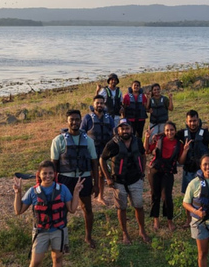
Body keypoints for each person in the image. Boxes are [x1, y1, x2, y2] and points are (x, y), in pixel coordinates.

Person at [13, 160, 83, 267]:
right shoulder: (33, 191)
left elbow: (72, 209)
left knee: (57, 258)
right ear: (39, 175)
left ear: (55, 174)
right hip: (41, 232)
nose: (48, 176)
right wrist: (18, 193)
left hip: (59, 230)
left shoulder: (63, 189)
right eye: (45, 173)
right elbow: (18, 210)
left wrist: (76, 191)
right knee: (35, 263)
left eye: (51, 173)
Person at [50, 110, 98, 248]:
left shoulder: (88, 140)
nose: (75, 122)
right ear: (67, 121)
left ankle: (88, 237)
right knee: (63, 210)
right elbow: (54, 164)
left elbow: (94, 162)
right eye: (72, 120)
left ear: (80, 120)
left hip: (84, 179)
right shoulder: (58, 140)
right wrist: (53, 184)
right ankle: (62, 239)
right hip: (66, 179)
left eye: (77, 119)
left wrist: (96, 184)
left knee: (87, 208)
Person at [100, 120, 150, 245]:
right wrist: (108, 178)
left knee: (139, 206)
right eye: (122, 129)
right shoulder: (112, 144)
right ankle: (125, 233)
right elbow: (102, 159)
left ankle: (142, 231)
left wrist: (142, 172)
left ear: (131, 129)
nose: (125, 131)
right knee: (121, 208)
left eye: (127, 128)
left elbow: (143, 155)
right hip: (119, 181)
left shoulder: (137, 141)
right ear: (118, 130)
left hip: (135, 179)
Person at [145, 121, 187, 231]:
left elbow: (181, 161)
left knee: (167, 197)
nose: (169, 132)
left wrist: (185, 151)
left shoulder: (179, 144)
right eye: (167, 130)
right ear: (164, 131)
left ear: (175, 131)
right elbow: (147, 151)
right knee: (155, 195)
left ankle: (170, 220)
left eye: (171, 130)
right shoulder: (159, 140)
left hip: (168, 172)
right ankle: (156, 220)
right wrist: (147, 138)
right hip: (155, 170)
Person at [176, 110, 209, 193]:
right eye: (190, 121)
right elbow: (169, 137)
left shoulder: (205, 134)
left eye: (194, 121)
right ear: (186, 121)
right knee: (188, 196)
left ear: (198, 120)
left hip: (202, 171)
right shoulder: (182, 133)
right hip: (187, 171)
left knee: (202, 195)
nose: (192, 123)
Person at [81, 95, 115, 206]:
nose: (99, 105)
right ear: (93, 104)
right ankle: (88, 194)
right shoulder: (87, 118)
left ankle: (100, 196)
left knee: (101, 173)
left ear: (104, 104)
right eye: (97, 103)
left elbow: (114, 131)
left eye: (101, 103)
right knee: (91, 172)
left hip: (104, 149)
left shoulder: (108, 118)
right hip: (91, 149)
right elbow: (82, 133)